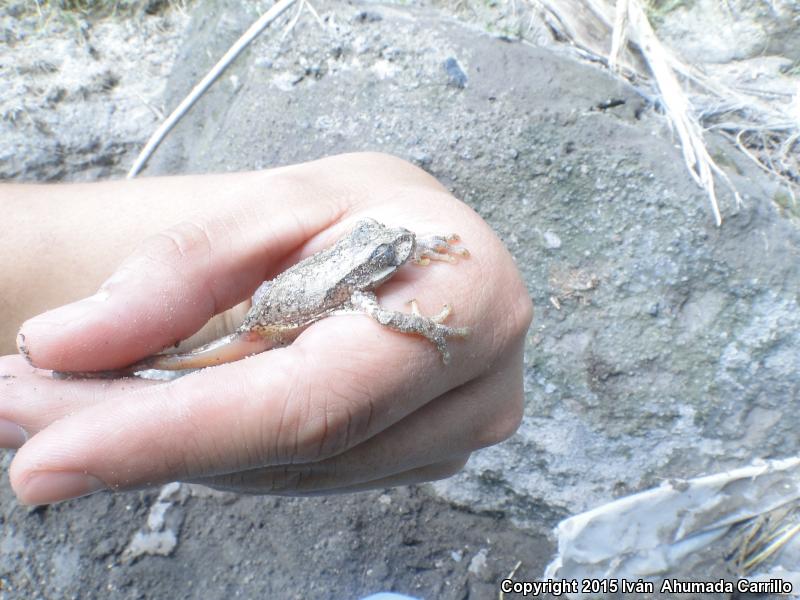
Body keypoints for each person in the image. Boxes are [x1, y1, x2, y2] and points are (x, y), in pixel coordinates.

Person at [0, 152, 532, 506]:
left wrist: (410, 220)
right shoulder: (367, 291)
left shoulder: (379, 258)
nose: (402, 250)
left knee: (169, 368)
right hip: (279, 316)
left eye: (396, 248)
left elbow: (392, 242)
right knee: (174, 368)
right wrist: (432, 331)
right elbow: (389, 317)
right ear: (372, 269)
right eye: (392, 252)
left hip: (278, 300)